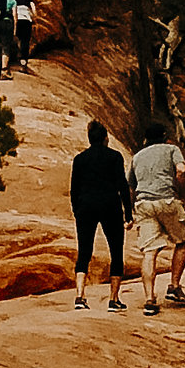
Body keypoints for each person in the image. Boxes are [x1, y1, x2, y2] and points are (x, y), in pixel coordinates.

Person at [126, 126, 185, 315]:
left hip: (144, 205)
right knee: (183, 239)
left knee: (149, 252)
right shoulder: (171, 149)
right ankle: (174, 286)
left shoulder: (137, 157)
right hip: (166, 200)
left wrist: (130, 213)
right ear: (165, 137)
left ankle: (149, 299)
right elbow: (181, 170)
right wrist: (182, 195)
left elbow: (130, 186)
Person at [68, 119, 130, 312]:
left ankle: (80, 296)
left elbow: (74, 188)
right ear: (105, 138)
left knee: (84, 251)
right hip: (110, 205)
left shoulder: (80, 159)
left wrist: (76, 210)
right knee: (116, 251)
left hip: (86, 206)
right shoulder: (115, 157)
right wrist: (128, 213)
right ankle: (114, 299)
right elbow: (123, 186)